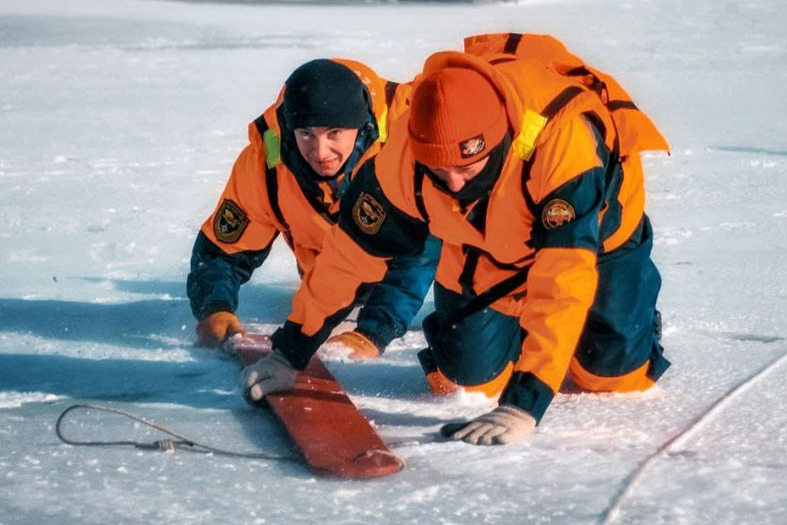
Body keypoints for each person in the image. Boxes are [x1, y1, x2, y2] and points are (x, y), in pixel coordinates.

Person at [240, 33, 670, 446]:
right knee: (469, 382)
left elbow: (562, 279)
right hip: (484, 244)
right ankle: (514, 333)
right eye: (440, 172)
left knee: (611, 379)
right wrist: (291, 350)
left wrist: (526, 403)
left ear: (499, 140)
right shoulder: (403, 156)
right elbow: (348, 258)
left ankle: (622, 319)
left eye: (469, 168)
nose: (456, 183)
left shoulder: (562, 144)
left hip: (597, 242)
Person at [187, 58, 440, 359]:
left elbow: (421, 253)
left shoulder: (406, 148)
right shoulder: (267, 163)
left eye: (334, 133)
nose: (320, 152)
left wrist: (373, 332)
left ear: (360, 128)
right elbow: (223, 248)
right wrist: (215, 308)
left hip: (410, 260)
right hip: (325, 268)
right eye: (306, 134)